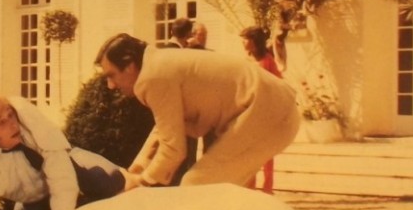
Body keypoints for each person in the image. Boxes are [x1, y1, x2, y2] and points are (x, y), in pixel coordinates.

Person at [95, 33, 300, 189]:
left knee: (197, 184)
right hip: (272, 110)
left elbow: (173, 149)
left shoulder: (153, 76)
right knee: (218, 191)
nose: (111, 85)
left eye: (111, 75)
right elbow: (163, 131)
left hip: (271, 113)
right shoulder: (158, 65)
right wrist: (136, 170)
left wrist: (141, 182)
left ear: (130, 65)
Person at [240, 26, 285, 194]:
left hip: (264, 110)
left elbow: (279, 84)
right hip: (247, 109)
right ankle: (249, 185)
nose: (243, 43)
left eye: (246, 39)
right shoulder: (244, 60)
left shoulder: (267, 61)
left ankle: (267, 187)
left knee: (266, 152)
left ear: (254, 42)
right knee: (248, 150)